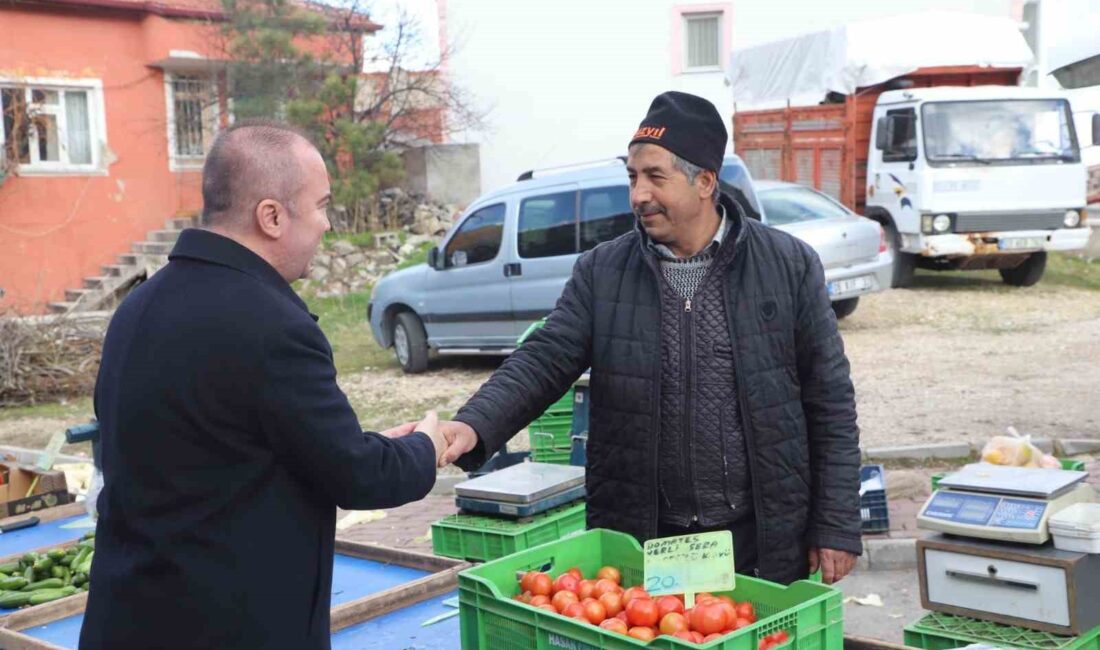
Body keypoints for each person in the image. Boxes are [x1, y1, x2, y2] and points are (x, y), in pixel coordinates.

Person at [434, 92, 862, 585]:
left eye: (656, 177)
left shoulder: (787, 266)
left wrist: (835, 522)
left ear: (705, 182)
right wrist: (474, 424)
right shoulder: (603, 271)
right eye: (633, 177)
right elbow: (545, 358)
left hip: (762, 536)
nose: (638, 194)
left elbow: (830, 399)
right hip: (644, 540)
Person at [80, 122, 447, 649]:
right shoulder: (271, 324)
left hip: (128, 617)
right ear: (271, 216)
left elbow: (222, 451)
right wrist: (424, 447)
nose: (326, 225)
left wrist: (359, 445)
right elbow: (361, 479)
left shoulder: (139, 307)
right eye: (321, 205)